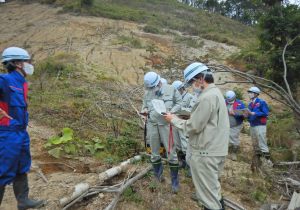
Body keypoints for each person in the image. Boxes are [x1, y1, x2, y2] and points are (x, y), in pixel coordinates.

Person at [164, 62, 229, 210]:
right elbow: (208, 121)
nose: (191, 86)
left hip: (205, 153)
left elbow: (194, 127)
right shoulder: (216, 93)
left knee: (209, 200)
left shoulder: (206, 97)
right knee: (214, 191)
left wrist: (173, 119)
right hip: (217, 150)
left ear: (200, 78)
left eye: (191, 82)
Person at [0, 47, 45, 209]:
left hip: (21, 133)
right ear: (18, 63)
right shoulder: (5, 80)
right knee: (3, 171)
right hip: (7, 134)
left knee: (21, 166)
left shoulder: (22, 82)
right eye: (27, 61)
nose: (30, 64)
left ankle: (23, 201)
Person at [141, 71, 182, 193]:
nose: (152, 89)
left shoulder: (171, 89)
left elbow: (179, 103)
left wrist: (172, 112)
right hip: (152, 125)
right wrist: (144, 112)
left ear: (159, 82)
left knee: (171, 154)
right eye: (150, 87)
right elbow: (144, 106)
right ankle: (158, 177)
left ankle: (174, 182)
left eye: (154, 86)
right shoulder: (148, 93)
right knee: (154, 153)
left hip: (166, 125)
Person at [171, 80, 196, 169]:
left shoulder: (190, 97)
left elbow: (192, 110)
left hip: (184, 123)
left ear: (181, 88)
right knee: (177, 143)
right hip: (175, 122)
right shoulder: (174, 98)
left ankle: (189, 164)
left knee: (185, 143)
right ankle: (181, 160)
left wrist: (181, 109)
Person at [246, 87, 272, 167]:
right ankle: (258, 163)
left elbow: (266, 113)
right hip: (252, 125)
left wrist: (255, 113)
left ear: (256, 94)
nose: (249, 94)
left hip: (260, 125)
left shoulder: (261, 102)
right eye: (249, 92)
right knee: (255, 143)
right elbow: (249, 115)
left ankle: (268, 162)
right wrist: (246, 115)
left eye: (251, 92)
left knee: (262, 142)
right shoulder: (250, 104)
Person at [225, 90, 245, 161]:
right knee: (224, 138)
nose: (229, 101)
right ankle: (224, 152)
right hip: (226, 124)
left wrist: (235, 114)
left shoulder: (240, 104)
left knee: (234, 138)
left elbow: (244, 114)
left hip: (236, 124)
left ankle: (234, 153)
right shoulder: (224, 102)